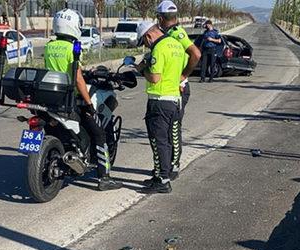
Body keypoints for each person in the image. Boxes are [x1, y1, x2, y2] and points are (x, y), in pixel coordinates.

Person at [44, 8, 123, 191]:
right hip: (71, 99)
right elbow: (78, 79)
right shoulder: (72, 48)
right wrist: (89, 103)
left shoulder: (49, 46)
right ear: (74, 26)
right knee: (99, 134)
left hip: (54, 98)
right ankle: (104, 178)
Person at [135, 21, 184, 193]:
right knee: (169, 139)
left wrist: (140, 69)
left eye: (145, 42)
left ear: (148, 36)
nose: (146, 46)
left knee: (158, 141)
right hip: (174, 99)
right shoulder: (176, 45)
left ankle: (162, 180)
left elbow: (154, 78)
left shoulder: (159, 48)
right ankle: (161, 174)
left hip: (160, 101)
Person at [156, 0, 201, 179]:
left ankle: (173, 166)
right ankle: (167, 166)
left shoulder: (177, 33)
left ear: (160, 17)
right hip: (171, 87)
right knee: (168, 128)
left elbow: (196, 53)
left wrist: (184, 75)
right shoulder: (168, 33)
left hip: (179, 87)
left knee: (172, 129)